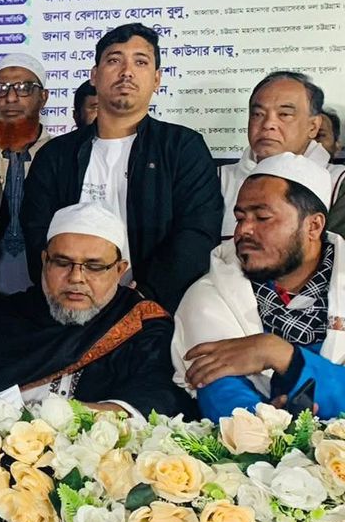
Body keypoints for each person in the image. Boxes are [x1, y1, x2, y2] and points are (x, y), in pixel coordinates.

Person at [22, 24, 222, 313]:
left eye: (140, 62)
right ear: (94, 75)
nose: (127, 72)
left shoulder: (182, 148)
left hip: (153, 309)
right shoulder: (56, 155)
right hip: (67, 305)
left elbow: (197, 233)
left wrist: (143, 294)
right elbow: (37, 232)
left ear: (156, 79)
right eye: (114, 60)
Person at [0, 203, 185, 415]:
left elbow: (157, 397)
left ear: (119, 270)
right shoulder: (4, 320)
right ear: (45, 261)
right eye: (62, 263)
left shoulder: (141, 324)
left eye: (94, 266)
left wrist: (68, 418)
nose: (76, 277)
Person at [174, 153, 345, 420]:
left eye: (262, 217)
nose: (243, 230)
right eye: (240, 218)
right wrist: (272, 428)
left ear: (313, 226)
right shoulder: (209, 295)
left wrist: (279, 354)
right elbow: (221, 391)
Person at [217, 70, 339, 237]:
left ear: (313, 126)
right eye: (258, 114)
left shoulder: (338, 183)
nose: (268, 124)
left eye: (284, 114)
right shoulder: (216, 180)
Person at [0, 50, 51, 295]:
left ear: (43, 97)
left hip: (45, 287)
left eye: (24, 88)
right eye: (0, 89)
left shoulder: (61, 156)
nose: (10, 98)